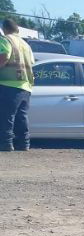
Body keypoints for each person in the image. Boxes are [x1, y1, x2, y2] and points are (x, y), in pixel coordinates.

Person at [0, 18, 35, 152]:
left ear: (4, 29)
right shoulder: (26, 45)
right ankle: (24, 143)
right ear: (17, 30)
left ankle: (6, 143)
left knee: (6, 115)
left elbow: (3, 57)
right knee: (22, 116)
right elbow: (31, 62)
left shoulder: (5, 39)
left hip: (8, 83)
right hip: (25, 85)